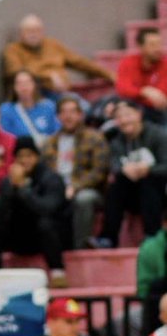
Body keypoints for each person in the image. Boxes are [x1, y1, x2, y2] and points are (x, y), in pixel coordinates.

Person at [0, 136, 69, 287]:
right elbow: (0, 213)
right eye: (20, 156)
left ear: (37, 157)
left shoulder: (51, 178)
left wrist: (22, 188)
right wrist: (11, 189)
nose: (25, 160)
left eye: (29, 155)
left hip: (46, 236)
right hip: (17, 235)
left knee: (46, 224)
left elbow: (48, 209)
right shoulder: (8, 181)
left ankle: (58, 272)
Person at [89, 99, 167, 247]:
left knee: (149, 181)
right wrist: (123, 169)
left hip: (159, 192)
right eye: (119, 117)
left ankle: (153, 237)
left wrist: (148, 169)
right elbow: (113, 165)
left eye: (128, 115)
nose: (124, 120)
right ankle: (108, 238)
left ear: (139, 114)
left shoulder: (158, 135)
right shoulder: (116, 140)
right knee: (116, 186)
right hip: (132, 193)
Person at [40, 95, 111, 250]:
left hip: (88, 189)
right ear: (58, 117)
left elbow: (99, 171)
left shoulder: (95, 137)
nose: (68, 116)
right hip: (57, 190)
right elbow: (43, 173)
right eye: (64, 112)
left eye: (72, 112)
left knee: (83, 199)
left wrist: (76, 186)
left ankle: (80, 249)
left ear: (80, 115)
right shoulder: (49, 143)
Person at [2, 14, 115, 98]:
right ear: (21, 34)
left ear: (43, 32)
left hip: (63, 92)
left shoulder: (52, 44)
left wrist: (108, 74)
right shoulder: (13, 49)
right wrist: (49, 77)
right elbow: (14, 71)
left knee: (84, 107)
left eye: (37, 30)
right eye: (29, 31)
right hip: (36, 95)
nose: (33, 34)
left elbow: (79, 62)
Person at [115, 27, 167, 126]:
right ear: (141, 46)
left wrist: (136, 95)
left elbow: (160, 99)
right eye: (152, 44)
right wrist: (144, 91)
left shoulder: (165, 64)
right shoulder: (129, 62)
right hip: (134, 110)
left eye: (159, 44)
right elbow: (122, 88)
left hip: (157, 113)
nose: (157, 48)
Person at [0, 69, 60, 147]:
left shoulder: (49, 106)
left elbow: (57, 132)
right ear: (14, 87)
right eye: (19, 83)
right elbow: (5, 137)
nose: (24, 87)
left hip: (47, 152)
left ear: (35, 85)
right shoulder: (6, 110)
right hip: (20, 153)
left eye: (27, 82)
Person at [136, 207, 167, 336]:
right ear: (165, 224)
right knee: (155, 290)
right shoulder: (150, 247)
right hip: (157, 298)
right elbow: (143, 289)